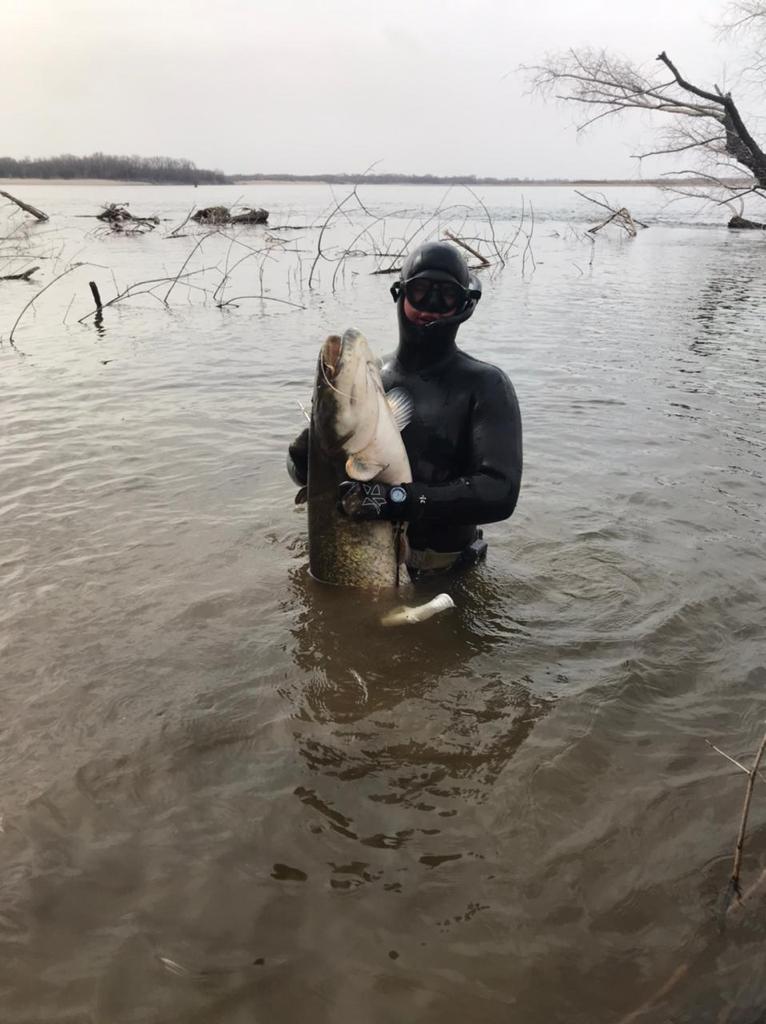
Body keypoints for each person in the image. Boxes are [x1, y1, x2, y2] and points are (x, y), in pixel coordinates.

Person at [288, 240, 522, 576]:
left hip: (446, 573)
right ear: (400, 295)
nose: (431, 305)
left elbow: (501, 492)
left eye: (446, 296)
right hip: (360, 559)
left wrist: (399, 500)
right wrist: (302, 459)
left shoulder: (486, 385)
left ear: (463, 305)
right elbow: (312, 483)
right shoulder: (371, 383)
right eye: (420, 291)